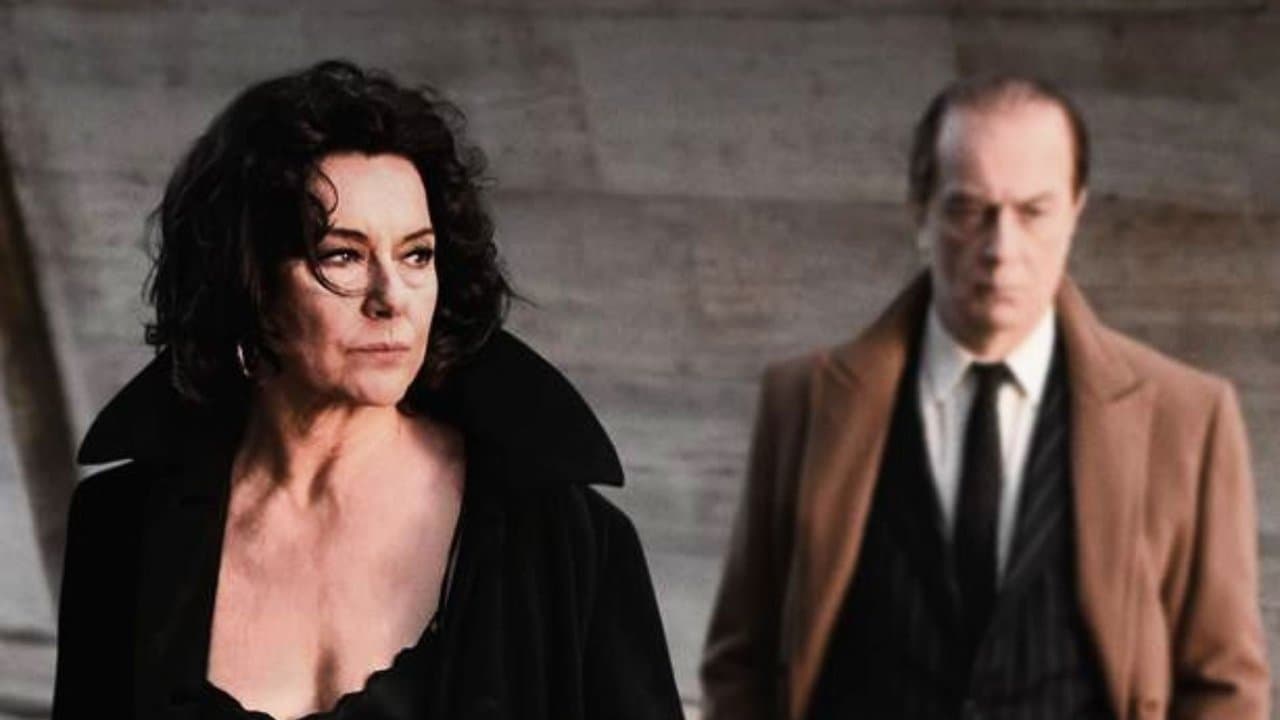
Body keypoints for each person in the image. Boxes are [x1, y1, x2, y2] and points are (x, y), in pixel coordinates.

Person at [51, 60, 683, 720]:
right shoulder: (121, 526)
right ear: (250, 283)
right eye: (342, 256)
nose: (391, 298)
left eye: (417, 255)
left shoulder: (563, 536)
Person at [701, 76, 1269, 719]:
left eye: (1033, 212)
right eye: (969, 211)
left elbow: (1225, 686)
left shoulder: (1189, 418)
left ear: (1076, 211)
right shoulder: (801, 403)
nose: (1002, 250)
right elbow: (740, 662)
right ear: (921, 212)